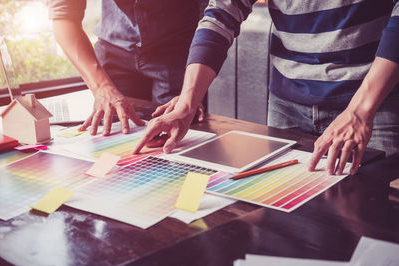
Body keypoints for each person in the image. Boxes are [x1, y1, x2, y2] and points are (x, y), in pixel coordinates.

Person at [134, 0, 399, 176]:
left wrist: (361, 109)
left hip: (374, 104)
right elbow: (221, 15)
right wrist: (186, 103)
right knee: (289, 228)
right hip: (287, 105)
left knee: (374, 226)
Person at [48, 0, 203, 136]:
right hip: (114, 54)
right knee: (114, 136)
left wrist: (192, 94)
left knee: (179, 137)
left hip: (178, 53)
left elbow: (214, 16)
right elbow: (63, 16)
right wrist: (101, 87)